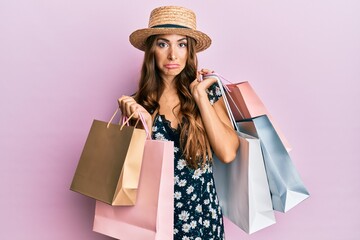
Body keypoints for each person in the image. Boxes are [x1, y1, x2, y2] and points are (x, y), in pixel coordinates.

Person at [118, 6, 240, 240]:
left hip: (202, 218)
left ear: (190, 51)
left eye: (182, 44)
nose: (173, 55)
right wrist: (140, 121)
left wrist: (200, 96)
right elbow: (132, 175)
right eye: (163, 44)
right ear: (152, 50)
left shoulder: (209, 92)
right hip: (153, 223)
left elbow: (227, 153)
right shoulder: (137, 103)